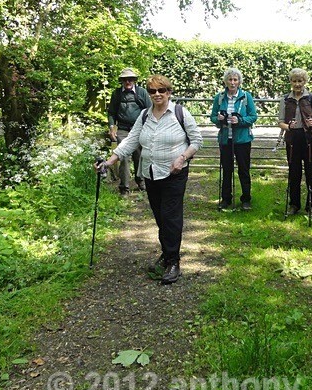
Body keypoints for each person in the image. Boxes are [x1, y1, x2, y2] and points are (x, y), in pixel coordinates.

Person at [98, 74, 202, 284]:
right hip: (151, 172)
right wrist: (109, 162)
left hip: (175, 173)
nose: (157, 95)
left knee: (170, 216)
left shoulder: (180, 113)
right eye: (153, 91)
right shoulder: (144, 115)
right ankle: (166, 253)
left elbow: (197, 140)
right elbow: (130, 141)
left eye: (161, 91)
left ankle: (173, 261)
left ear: (169, 92)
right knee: (160, 217)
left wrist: (182, 158)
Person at [277, 68, 312, 217]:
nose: (297, 84)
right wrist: (288, 127)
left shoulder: (311, 98)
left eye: (300, 81)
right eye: (295, 81)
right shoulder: (285, 99)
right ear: (291, 82)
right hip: (293, 138)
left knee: (311, 172)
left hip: (309, 138)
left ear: (304, 81)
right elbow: (280, 123)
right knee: (294, 172)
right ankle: (294, 204)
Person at [209, 68, 257, 211]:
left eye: (235, 79)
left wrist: (240, 120)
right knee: (227, 170)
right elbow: (212, 116)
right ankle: (226, 199)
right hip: (225, 139)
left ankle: (246, 199)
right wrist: (218, 119)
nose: (232, 82)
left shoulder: (246, 97)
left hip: (242, 139)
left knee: (244, 170)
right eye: (230, 79)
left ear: (239, 82)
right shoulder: (219, 97)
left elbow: (253, 116)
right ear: (225, 81)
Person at [107, 67, 150, 194]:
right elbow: (111, 112)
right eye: (125, 80)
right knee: (123, 156)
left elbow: (149, 111)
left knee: (139, 156)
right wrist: (111, 127)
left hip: (139, 129)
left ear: (134, 80)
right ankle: (124, 188)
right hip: (123, 129)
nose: (128, 82)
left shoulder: (141, 93)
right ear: (122, 81)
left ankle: (141, 182)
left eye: (130, 79)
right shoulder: (116, 94)